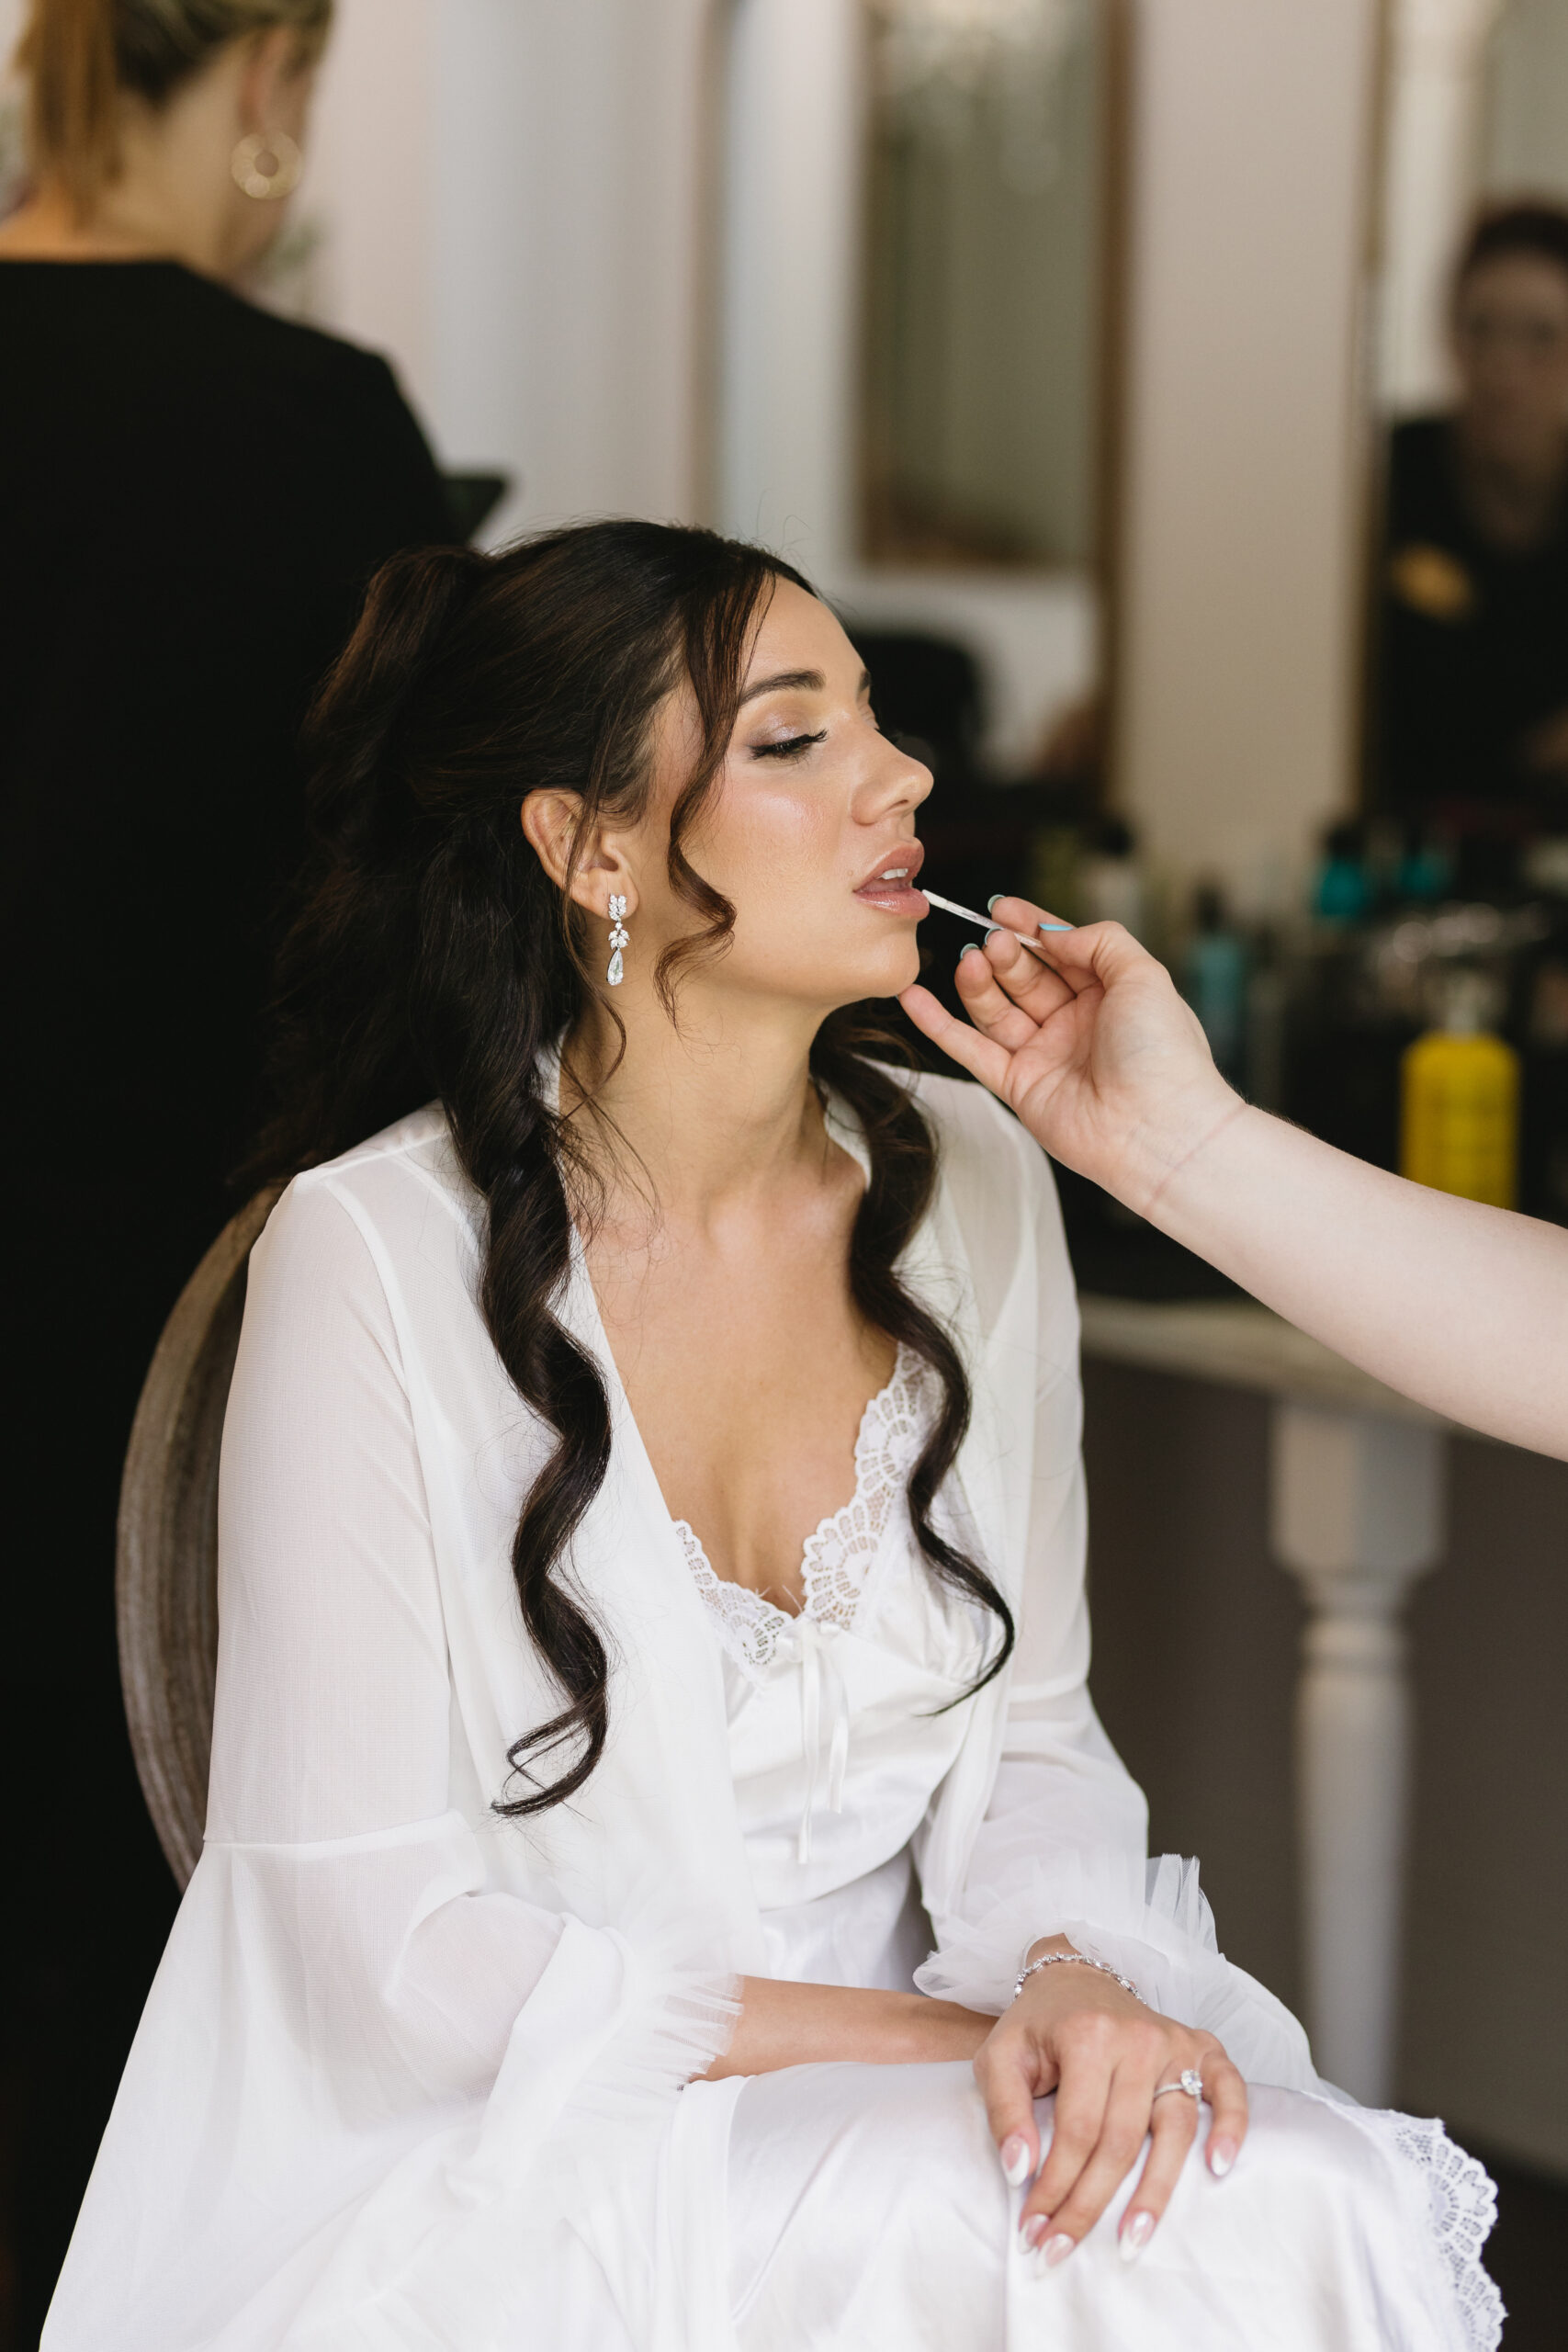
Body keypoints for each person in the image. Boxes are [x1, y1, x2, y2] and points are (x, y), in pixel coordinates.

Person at [46, 524, 1498, 2351]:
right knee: (1197, 2215)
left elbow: (1034, 1735)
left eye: (876, 722)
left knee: (1274, 2179)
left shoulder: (974, 1173)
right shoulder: (367, 1250)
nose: (902, 775)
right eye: (794, 738)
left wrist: (1062, 1972)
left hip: (942, 2090)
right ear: (589, 850)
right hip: (533, 2138)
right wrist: (940, 2040)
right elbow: (381, 1949)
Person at [0, 3, 455, 2329]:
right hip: (163, 1302)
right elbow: (385, 932)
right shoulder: (311, 435)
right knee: (125, 1970)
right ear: (267, 70)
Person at [903, 899, 1568, 1464]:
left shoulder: (984, 1157)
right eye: (794, 741)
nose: (912, 776)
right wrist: (1168, 1138)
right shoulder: (962, 1147)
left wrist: (1172, 1139)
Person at [1378, 202, 1568, 850]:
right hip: (1393, 848)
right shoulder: (1385, 477)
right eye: (1479, 329)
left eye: (1541, 337)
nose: (1503, 369)